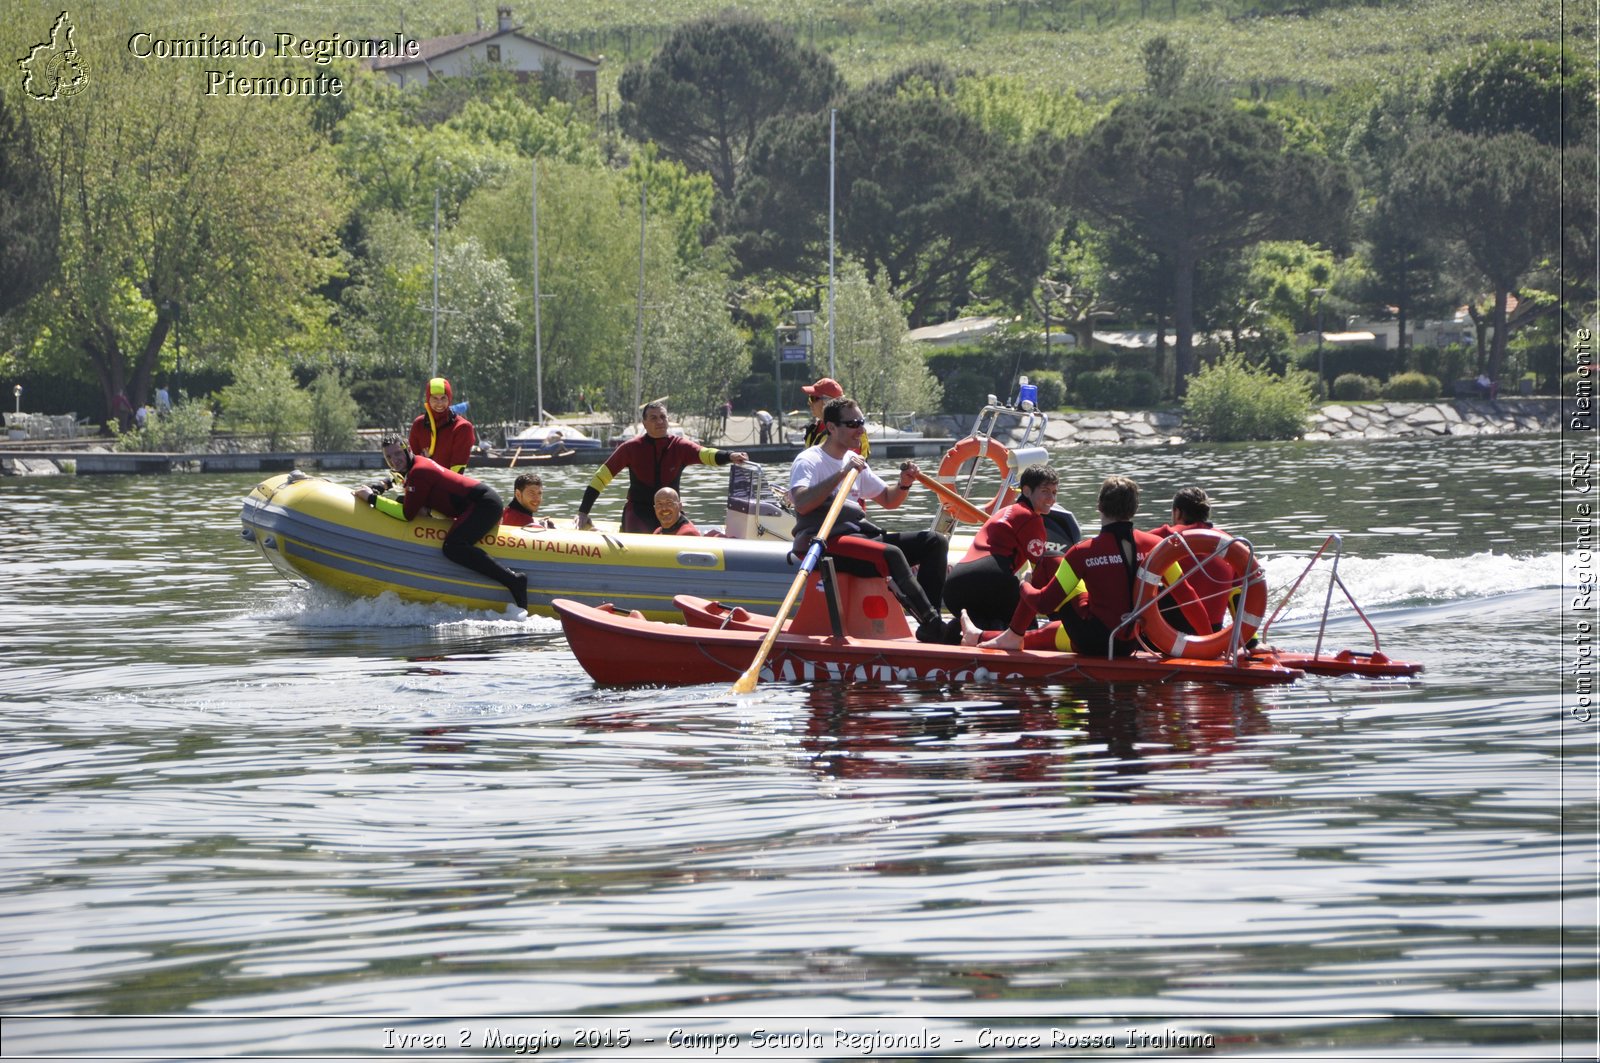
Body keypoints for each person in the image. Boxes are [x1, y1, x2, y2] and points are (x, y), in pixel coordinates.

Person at [972, 475, 1205, 657]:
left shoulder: (1081, 553)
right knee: (1058, 627)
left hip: (1093, 643)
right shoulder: (1158, 547)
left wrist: (1024, 585)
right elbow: (1189, 596)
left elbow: (1045, 603)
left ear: (1099, 507)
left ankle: (1012, 636)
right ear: (1135, 509)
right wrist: (1214, 644)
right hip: (1129, 643)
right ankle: (989, 636)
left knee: (1049, 560)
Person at [789, 396, 949, 643]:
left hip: (854, 537)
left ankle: (931, 622)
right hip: (826, 542)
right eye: (853, 424)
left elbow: (888, 499)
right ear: (831, 427)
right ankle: (932, 622)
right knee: (892, 553)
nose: (861, 430)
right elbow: (801, 502)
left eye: (861, 422)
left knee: (935, 541)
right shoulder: (810, 460)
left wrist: (904, 484)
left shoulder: (855, 461)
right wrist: (843, 473)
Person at [354, 438, 527, 613]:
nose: (394, 459)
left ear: (408, 449)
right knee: (401, 500)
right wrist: (382, 486)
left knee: (452, 546)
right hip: (478, 502)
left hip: (484, 505)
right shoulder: (414, 466)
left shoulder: (419, 471)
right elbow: (399, 477)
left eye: (398, 453)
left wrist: (372, 498)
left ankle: (513, 580)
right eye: (388, 456)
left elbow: (407, 515)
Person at [932, 462, 1060, 643]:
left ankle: (953, 630)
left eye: (1054, 492)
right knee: (1026, 622)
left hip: (954, 588)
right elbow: (1043, 566)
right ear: (1026, 491)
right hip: (992, 580)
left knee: (991, 619)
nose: (1051, 498)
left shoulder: (1004, 511)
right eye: (1045, 491)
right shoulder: (1030, 517)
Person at [576, 401, 749, 533]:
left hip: (671, 513)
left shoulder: (680, 446)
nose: (659, 421)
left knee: (692, 536)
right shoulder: (631, 448)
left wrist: (730, 456)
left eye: (663, 417)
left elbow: (707, 454)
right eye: (653, 418)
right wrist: (583, 512)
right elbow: (600, 478)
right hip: (639, 512)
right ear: (644, 423)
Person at [1147, 486, 1237, 633]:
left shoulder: (1165, 535)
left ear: (1177, 512)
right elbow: (1238, 596)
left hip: (1170, 634)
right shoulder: (1229, 543)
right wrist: (1251, 643)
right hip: (1214, 634)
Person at [408, 377, 477, 472]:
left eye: (443, 398)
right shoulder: (418, 424)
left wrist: (426, 463)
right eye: (435, 398)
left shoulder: (463, 427)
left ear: (449, 399)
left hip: (449, 484)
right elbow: (409, 465)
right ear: (428, 399)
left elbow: (456, 472)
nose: (439, 403)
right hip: (421, 482)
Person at [800, 376, 868, 456]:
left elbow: (848, 465)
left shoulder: (849, 430)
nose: (809, 403)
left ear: (828, 402)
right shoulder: (815, 428)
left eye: (813, 398)